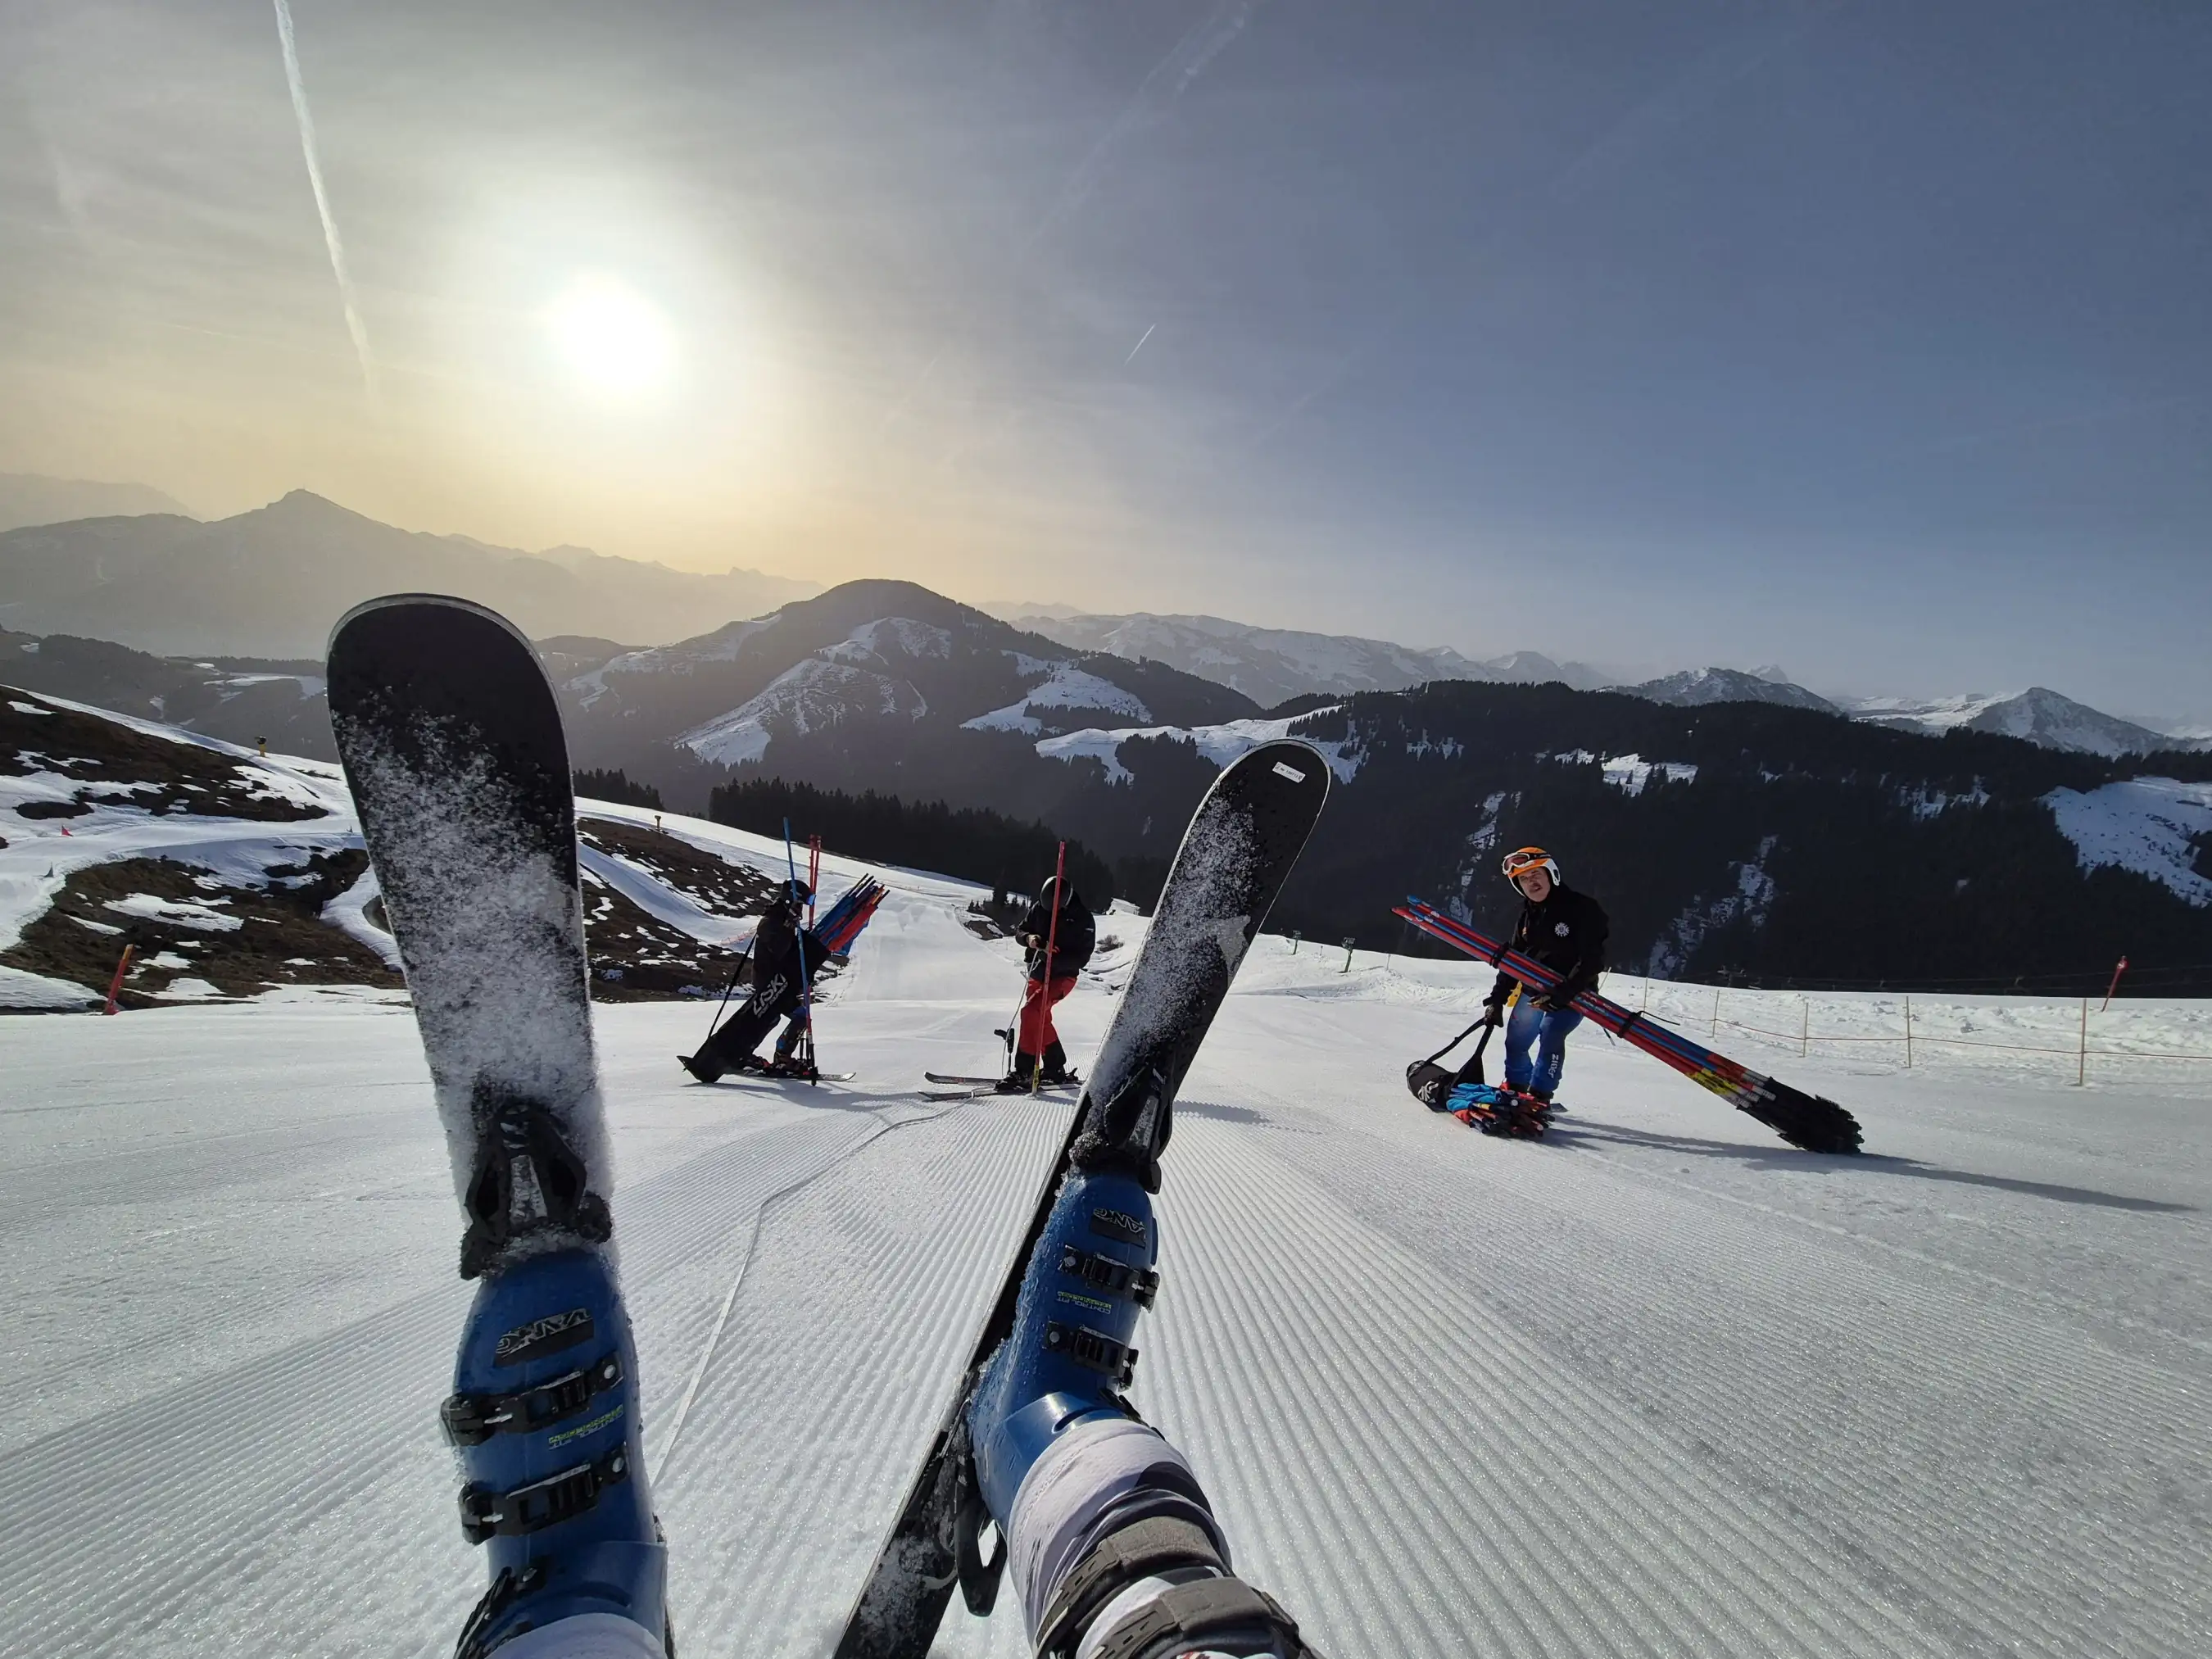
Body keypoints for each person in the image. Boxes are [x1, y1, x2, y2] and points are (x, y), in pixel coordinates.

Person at [1480, 846, 1609, 1104]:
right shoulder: (1527, 916)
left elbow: (1592, 959)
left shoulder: (1583, 908)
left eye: (1536, 874)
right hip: (1533, 992)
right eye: (1524, 879)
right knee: (1516, 1042)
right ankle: (1516, 1089)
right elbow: (1513, 960)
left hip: (1574, 995)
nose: (1531, 882)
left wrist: (1564, 994)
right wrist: (1497, 999)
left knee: (1551, 1037)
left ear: (1551, 874)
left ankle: (1540, 1095)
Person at [680, 878, 816, 1081]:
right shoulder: (772, 922)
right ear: (789, 902)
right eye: (799, 905)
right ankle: (780, 1059)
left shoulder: (783, 922)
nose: (800, 911)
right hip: (770, 983)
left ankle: (760, 1056)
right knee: (791, 1017)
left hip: (779, 983)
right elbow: (783, 952)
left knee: (770, 1019)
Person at [999, 873, 1095, 1091]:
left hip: (1062, 977)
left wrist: (1055, 958)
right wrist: (1030, 939)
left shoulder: (1083, 919)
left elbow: (1082, 958)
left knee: (1031, 1012)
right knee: (1039, 1018)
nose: (1049, 911)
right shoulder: (1039, 909)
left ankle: (1024, 1070)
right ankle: (1054, 1066)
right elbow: (1021, 931)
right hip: (1037, 972)